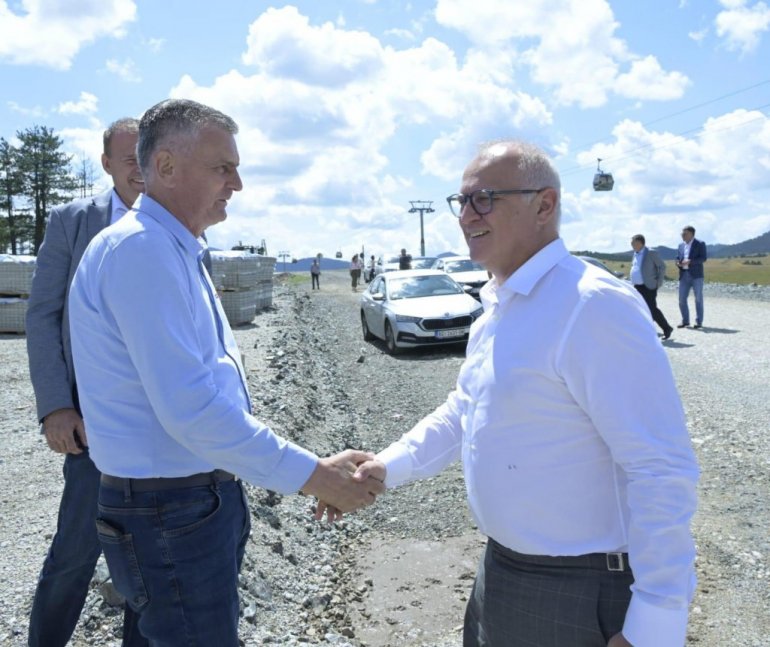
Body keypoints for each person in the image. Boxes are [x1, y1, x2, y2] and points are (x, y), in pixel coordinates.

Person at [342, 141, 699, 647]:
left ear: (544, 205)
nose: (466, 215)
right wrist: (388, 465)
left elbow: (660, 465)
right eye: (461, 201)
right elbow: (465, 410)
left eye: (484, 198)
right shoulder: (497, 307)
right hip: (503, 569)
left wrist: (656, 622)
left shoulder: (591, 305)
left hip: (577, 587)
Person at [67, 99, 383, 646]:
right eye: (223, 167)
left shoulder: (171, 248)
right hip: (170, 511)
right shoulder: (142, 251)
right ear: (166, 166)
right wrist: (316, 476)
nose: (237, 183)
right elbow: (192, 410)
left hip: (183, 504)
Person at [25, 118, 147, 647]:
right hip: (92, 426)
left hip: (158, 426)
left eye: (149, 156)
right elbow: (42, 315)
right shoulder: (73, 222)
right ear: (106, 164)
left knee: (147, 562)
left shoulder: (180, 223)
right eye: (129, 159)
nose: (141, 169)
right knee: (75, 553)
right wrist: (56, 406)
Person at [630, 234, 674, 340]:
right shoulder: (635, 253)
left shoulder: (651, 253)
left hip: (648, 286)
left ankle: (667, 328)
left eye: (633, 243)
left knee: (651, 309)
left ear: (640, 243)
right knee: (641, 308)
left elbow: (662, 266)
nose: (632, 246)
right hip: (637, 286)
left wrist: (659, 282)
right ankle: (646, 330)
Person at [675, 225, 707, 329]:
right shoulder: (680, 245)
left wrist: (690, 262)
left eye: (685, 233)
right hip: (683, 275)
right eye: (682, 233)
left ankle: (699, 322)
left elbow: (703, 258)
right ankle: (685, 321)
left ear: (691, 234)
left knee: (698, 299)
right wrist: (677, 262)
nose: (682, 235)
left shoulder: (700, 243)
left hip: (696, 276)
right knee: (681, 299)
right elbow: (678, 257)